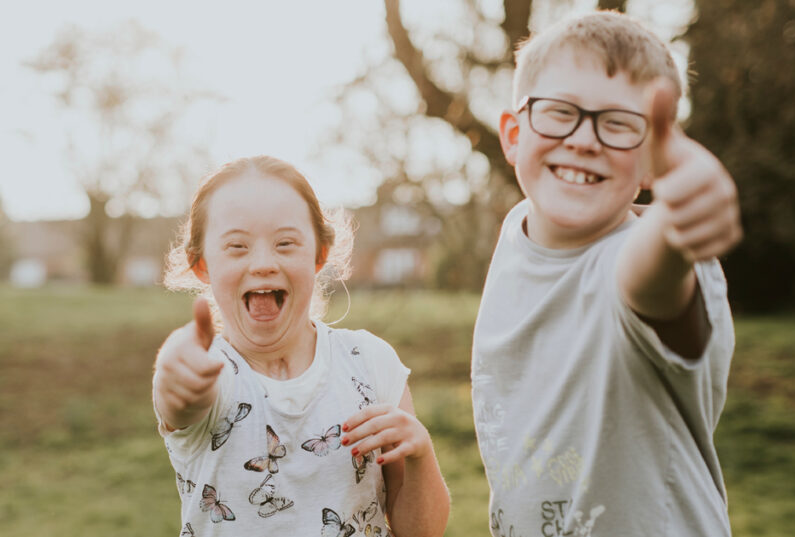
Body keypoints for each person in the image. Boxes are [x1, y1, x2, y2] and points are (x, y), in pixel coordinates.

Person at [471, 11, 742, 537]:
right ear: (512, 135)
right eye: (559, 112)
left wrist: (678, 220)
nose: (584, 139)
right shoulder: (514, 238)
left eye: (618, 124)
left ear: (651, 164)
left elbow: (647, 283)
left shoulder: (649, 257)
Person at [152, 155, 449, 537]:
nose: (262, 263)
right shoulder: (210, 373)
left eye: (286, 243)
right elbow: (180, 397)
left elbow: (422, 532)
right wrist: (173, 373)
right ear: (202, 265)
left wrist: (421, 452)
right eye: (237, 246)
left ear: (319, 254)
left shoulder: (370, 363)